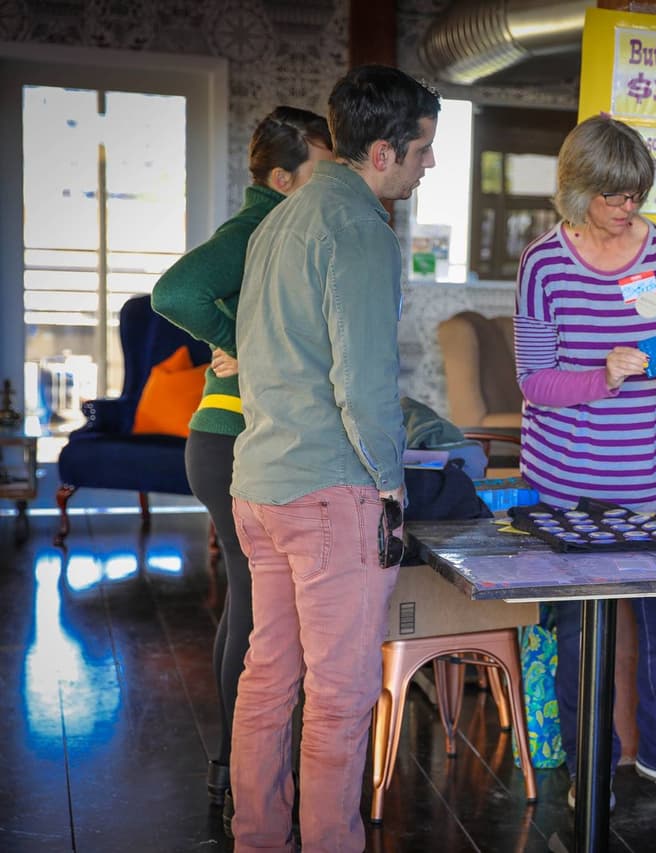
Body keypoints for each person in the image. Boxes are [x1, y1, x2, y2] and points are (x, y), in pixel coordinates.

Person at [228, 66, 440, 851]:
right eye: (422, 150)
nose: (428, 165)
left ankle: (256, 840)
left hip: (262, 485)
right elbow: (363, 382)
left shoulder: (281, 218)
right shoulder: (358, 229)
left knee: (267, 681)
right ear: (383, 151)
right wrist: (391, 488)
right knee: (341, 700)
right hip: (330, 494)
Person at [514, 114, 656, 807]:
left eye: (636, 194)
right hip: (569, 484)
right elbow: (533, 381)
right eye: (613, 197)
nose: (626, 209)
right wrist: (602, 374)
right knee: (583, 635)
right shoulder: (543, 264)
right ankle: (591, 766)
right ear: (577, 191)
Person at [151, 106, 333, 816]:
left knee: (247, 611)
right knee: (256, 617)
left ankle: (236, 761)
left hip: (229, 440)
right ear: (284, 177)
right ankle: (238, 766)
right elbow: (174, 293)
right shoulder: (259, 224)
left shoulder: (288, 228)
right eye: (323, 164)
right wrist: (246, 338)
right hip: (231, 441)